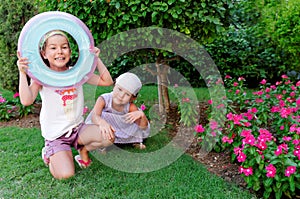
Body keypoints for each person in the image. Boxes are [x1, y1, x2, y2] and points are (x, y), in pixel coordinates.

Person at [17, 30, 115, 179]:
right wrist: (23, 74)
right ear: (44, 53)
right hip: (56, 136)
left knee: (109, 137)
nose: (59, 52)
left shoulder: (76, 73)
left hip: (77, 130)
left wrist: (96, 59)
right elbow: (26, 100)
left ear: (70, 51)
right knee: (66, 174)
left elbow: (107, 81)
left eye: (64, 47)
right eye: (53, 48)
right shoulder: (42, 76)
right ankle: (49, 153)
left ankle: (82, 151)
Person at [85, 72, 150, 150]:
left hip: (122, 127)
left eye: (127, 94)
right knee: (100, 121)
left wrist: (141, 115)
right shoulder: (104, 99)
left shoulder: (130, 106)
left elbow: (143, 127)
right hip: (106, 126)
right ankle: (102, 144)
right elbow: (95, 116)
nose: (121, 95)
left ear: (132, 98)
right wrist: (102, 123)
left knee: (134, 126)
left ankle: (133, 141)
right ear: (114, 86)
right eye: (119, 89)